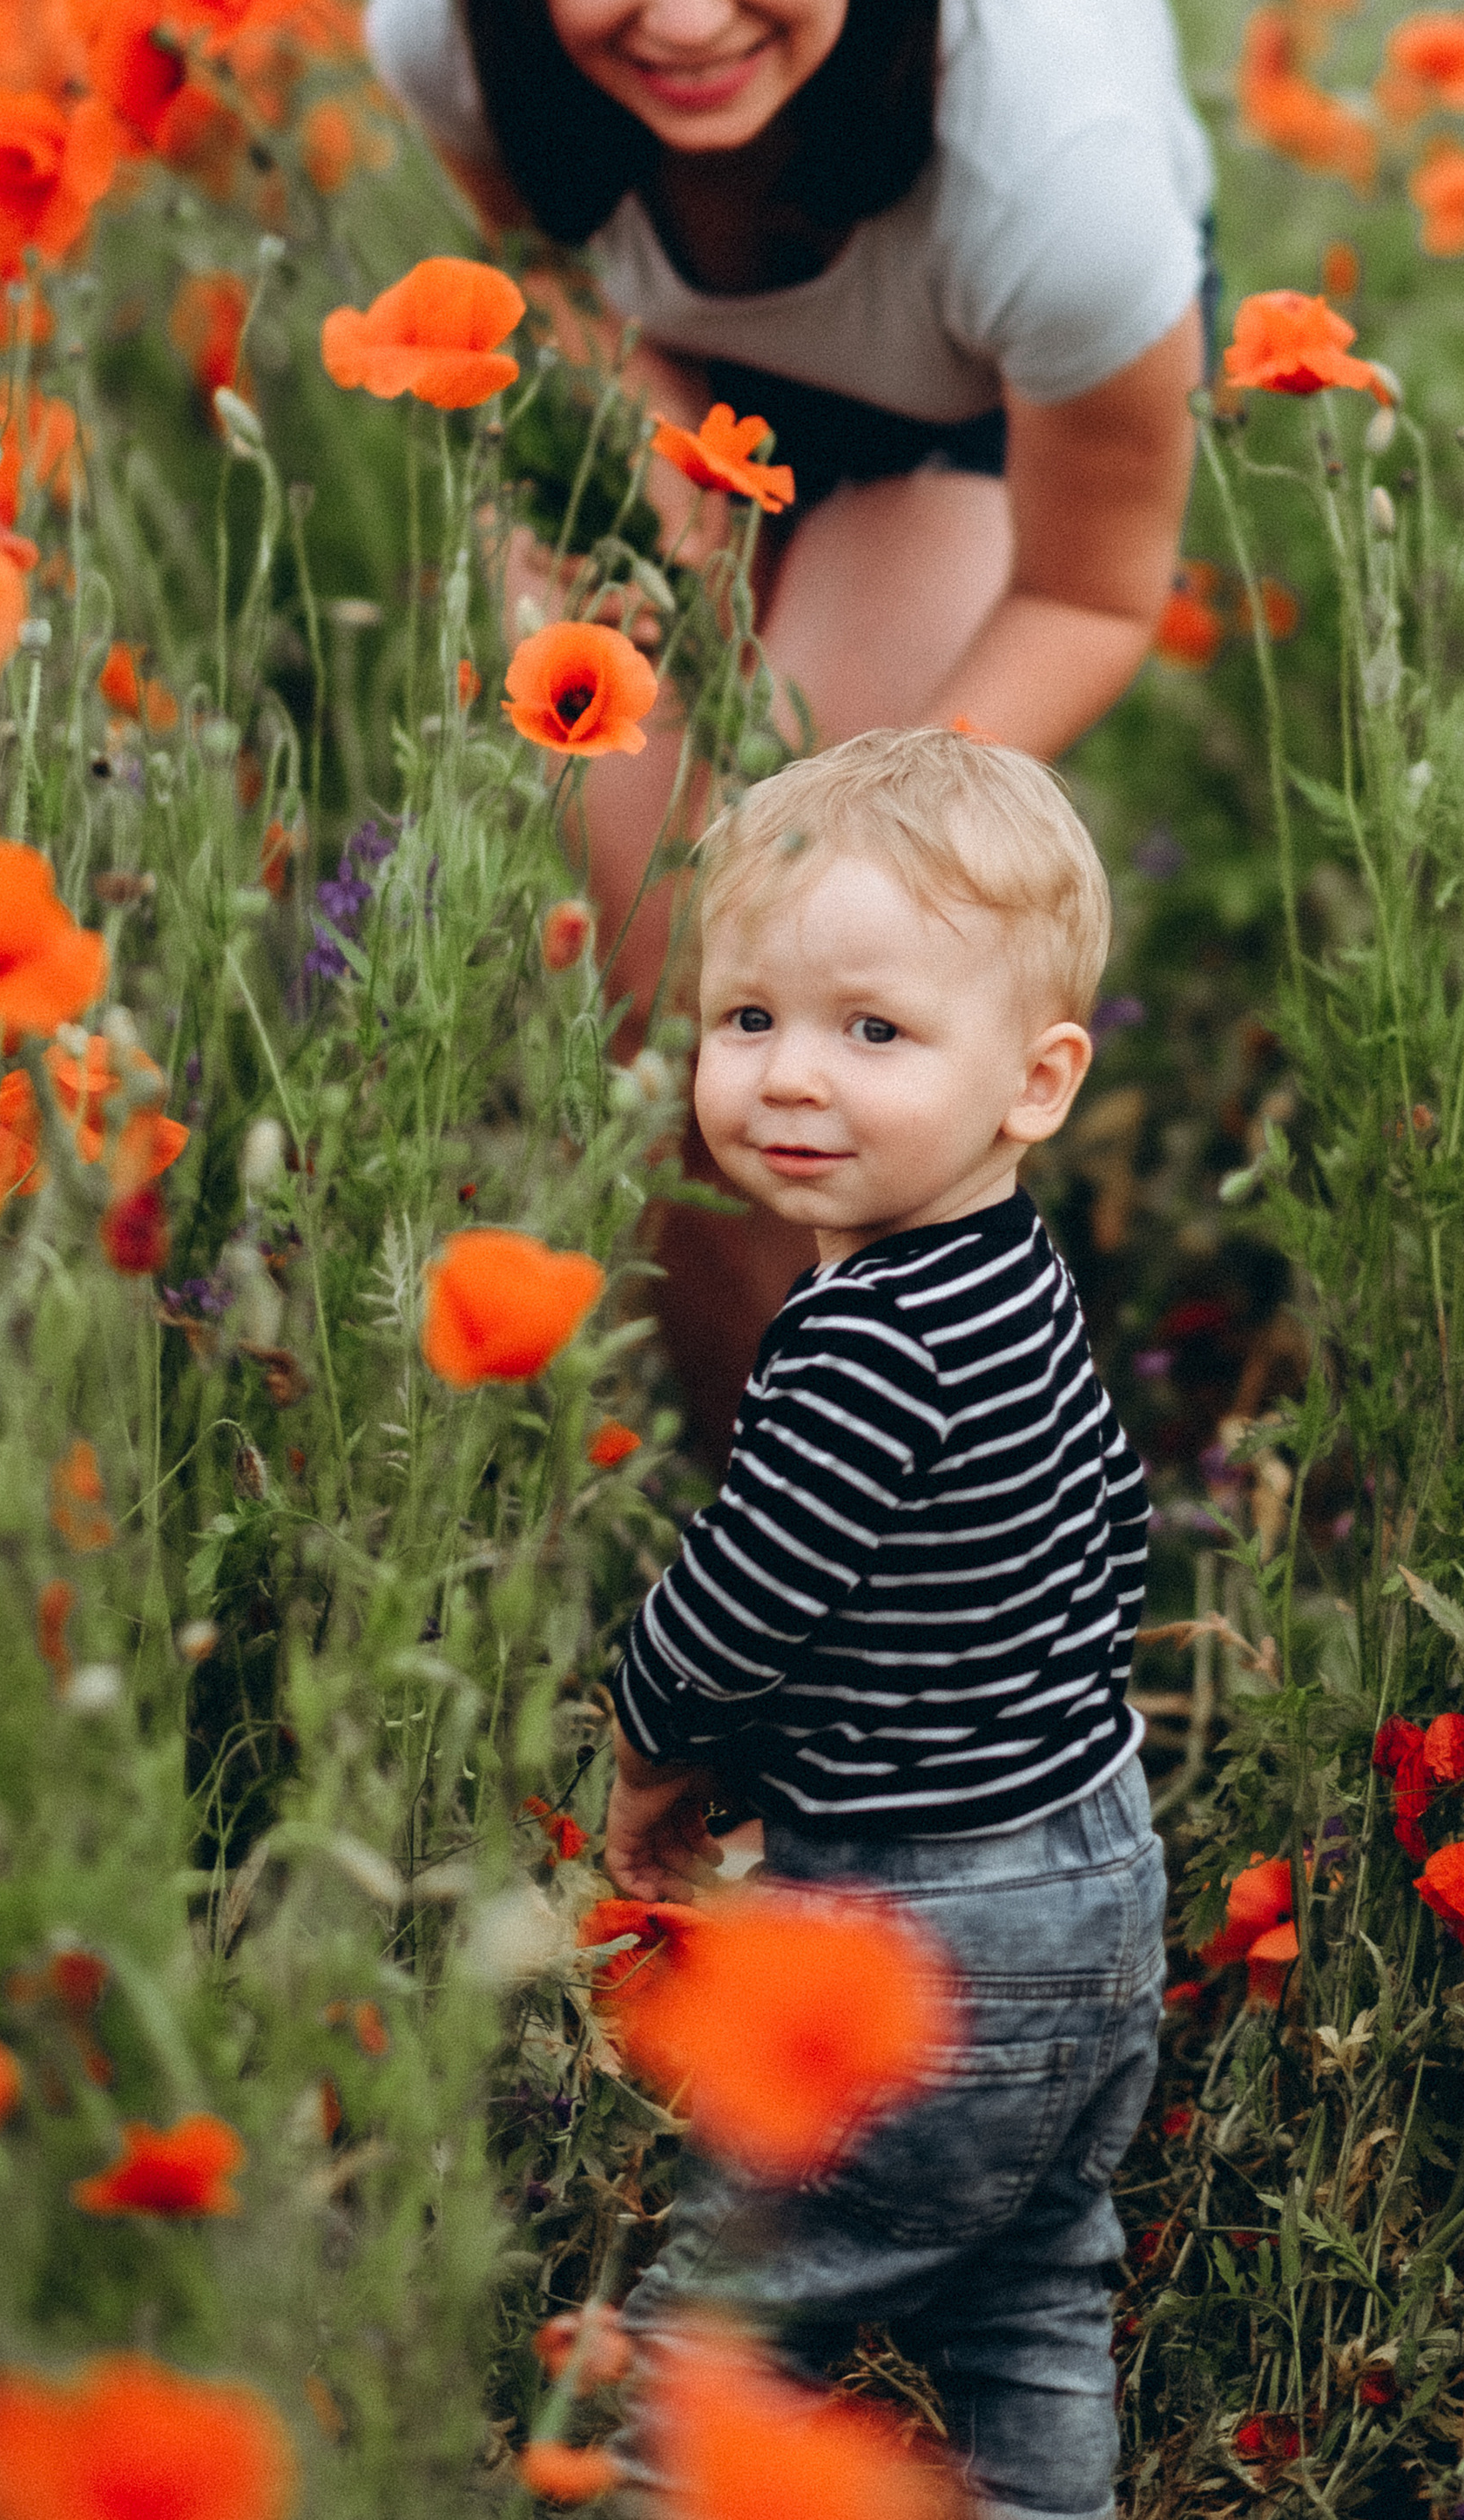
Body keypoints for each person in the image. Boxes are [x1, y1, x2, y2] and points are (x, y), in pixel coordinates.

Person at [364, 0, 1211, 1431]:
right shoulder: (445, 24)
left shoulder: (1058, 178)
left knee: (808, 978)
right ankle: (739, 1484)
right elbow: (561, 287)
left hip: (966, 405)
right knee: (663, 995)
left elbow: (1089, 591)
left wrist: (862, 837)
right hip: (684, 375)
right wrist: (655, 471)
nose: (685, 11)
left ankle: (914, 1494)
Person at [600, 727, 1164, 2520]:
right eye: (747, 1017)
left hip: (925, 1929)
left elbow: (739, 1603)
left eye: (872, 1032)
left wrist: (649, 1752)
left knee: (724, 2327)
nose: (788, 1075)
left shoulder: (861, 1343)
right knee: (1032, 2290)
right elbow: (1113, 1521)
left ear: (1036, 1080)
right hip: (1100, 1880)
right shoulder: (1016, 1284)